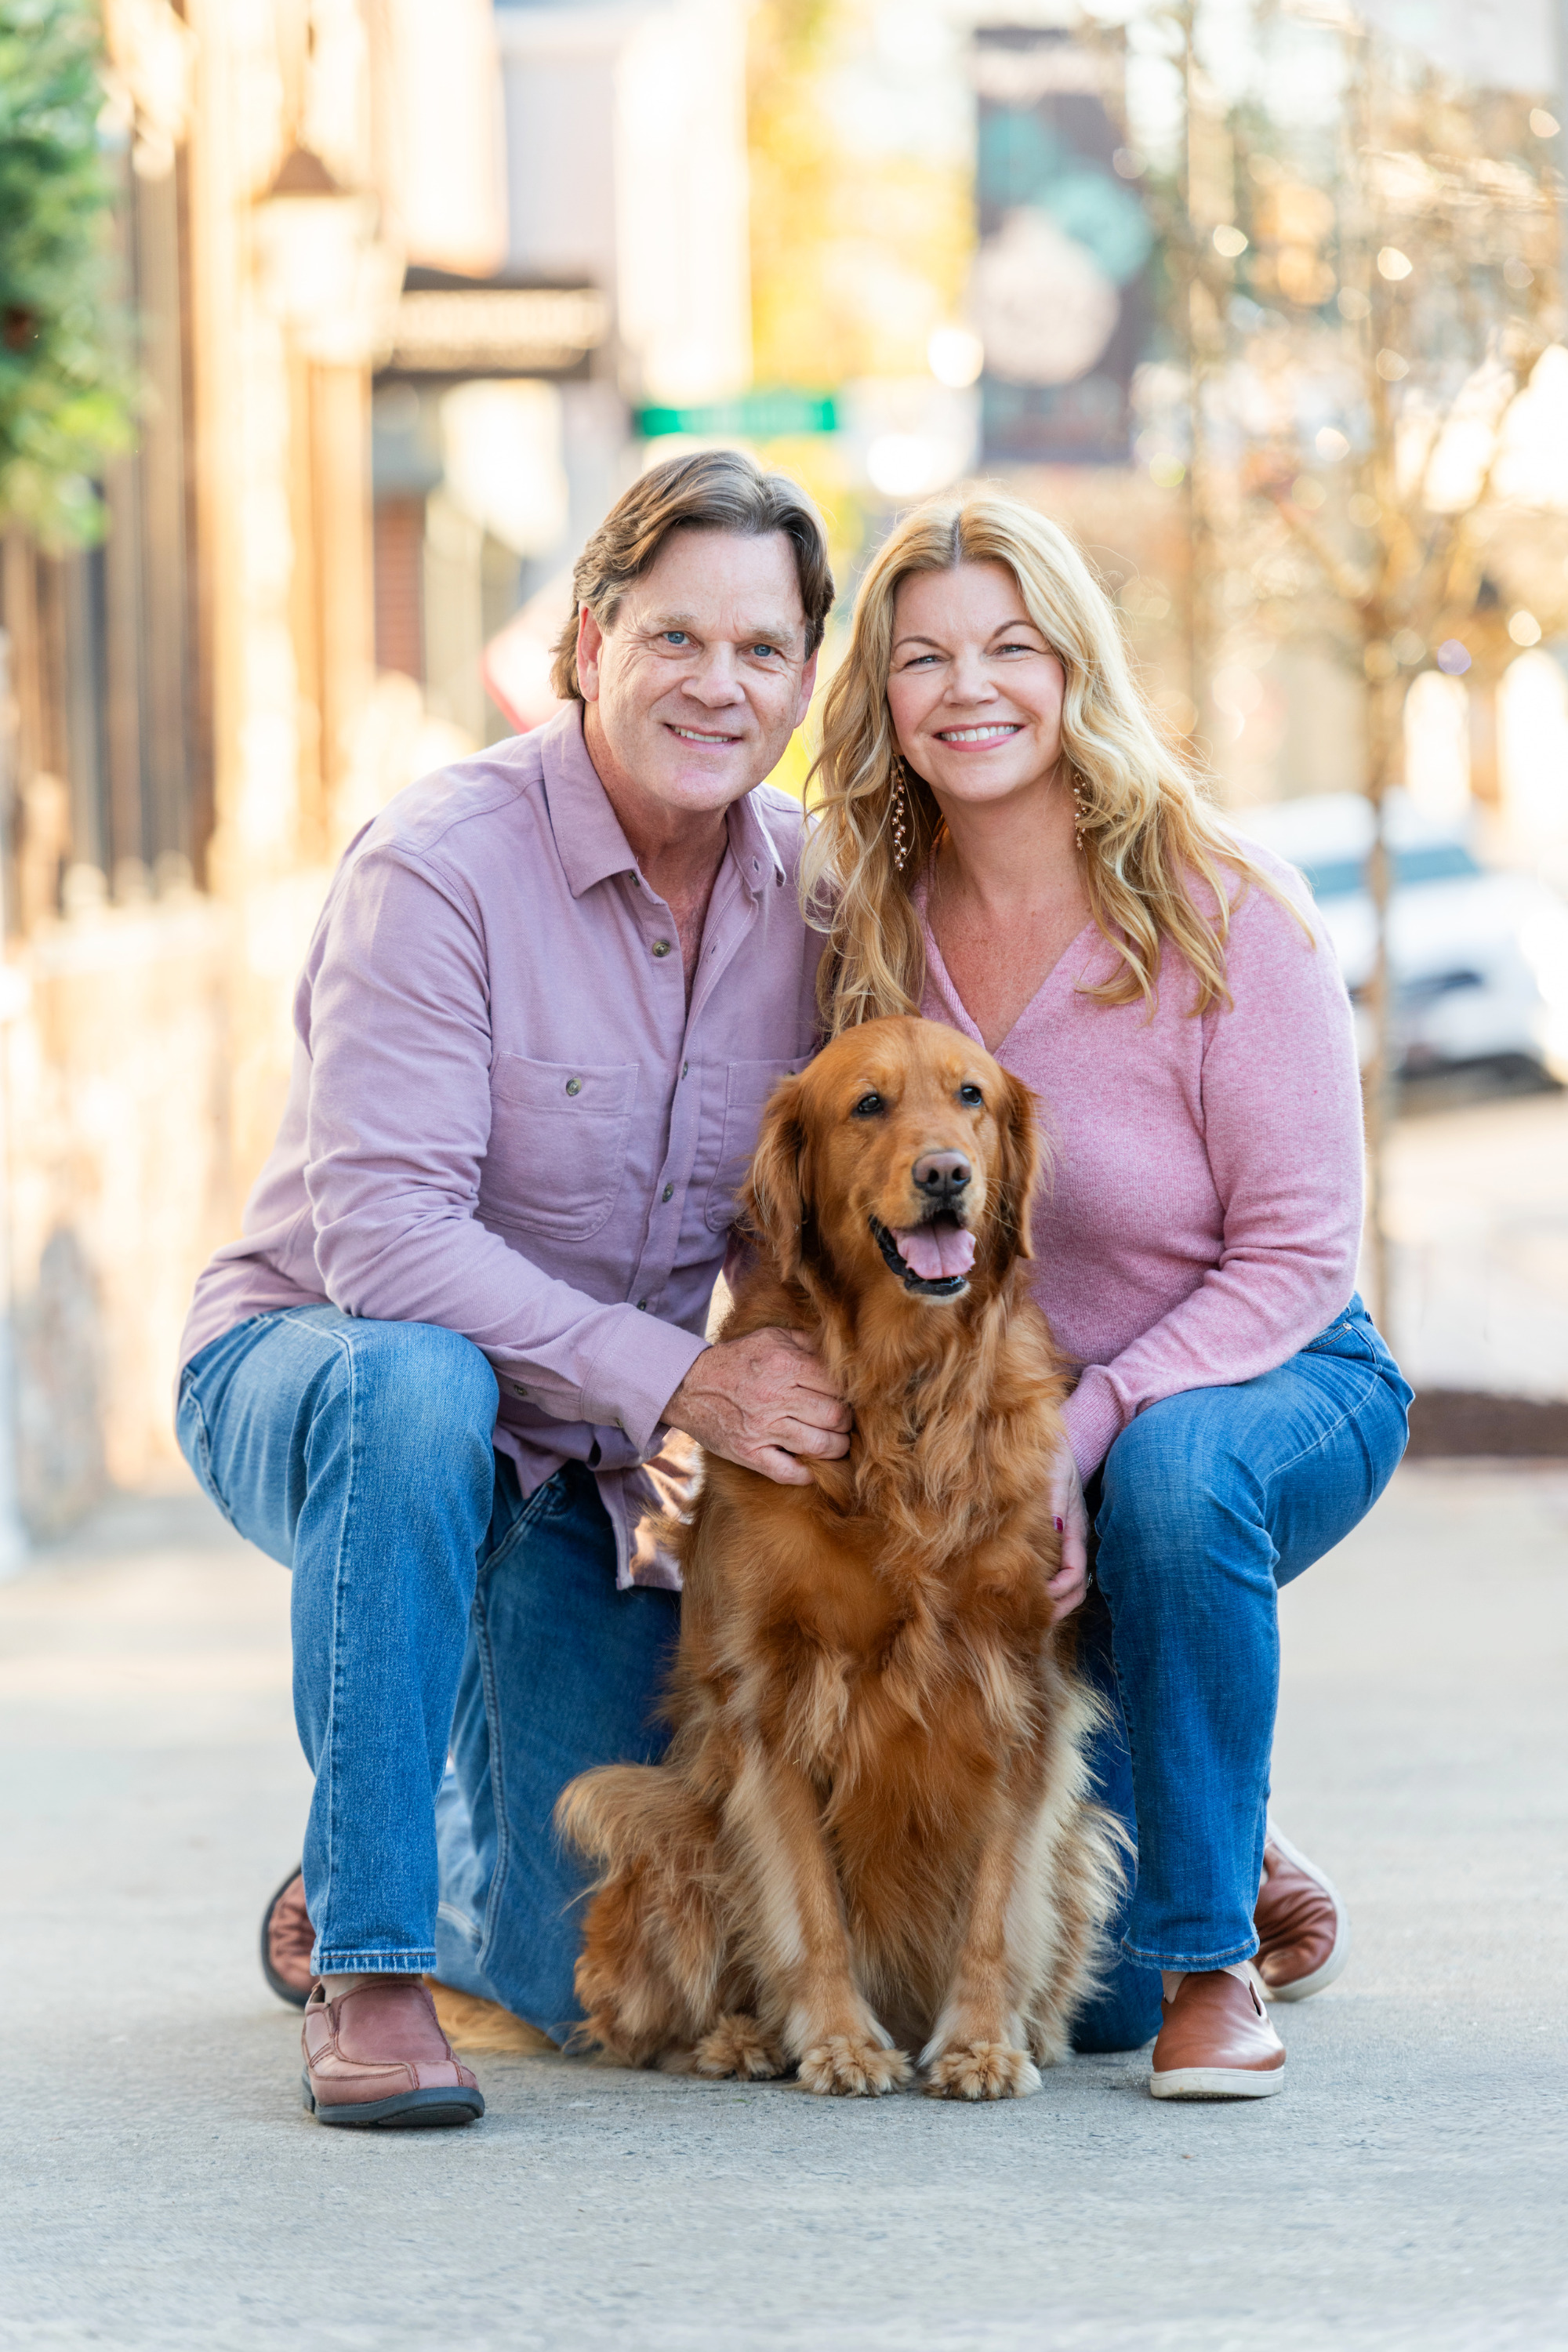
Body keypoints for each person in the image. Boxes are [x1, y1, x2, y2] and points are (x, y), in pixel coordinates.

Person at [176, 450, 853, 2127]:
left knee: (589, 1968)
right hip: (320, 1379)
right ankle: (371, 1960)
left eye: (761, 650)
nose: (717, 683)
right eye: (674, 637)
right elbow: (385, 1239)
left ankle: (377, 1844)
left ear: (804, 679)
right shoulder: (441, 864)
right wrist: (682, 1384)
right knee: (421, 1385)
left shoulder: (812, 897)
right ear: (585, 642)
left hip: (571, 1456)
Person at [801, 489, 1411, 2100]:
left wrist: (1088, 1423)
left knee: (1171, 1479)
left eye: (1011, 645)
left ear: (1076, 667)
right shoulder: (866, 924)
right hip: (1009, 1423)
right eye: (921, 657)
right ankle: (1224, 1810)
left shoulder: (1221, 906)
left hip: (1268, 1383)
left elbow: (1295, 1255)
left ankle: (1214, 1959)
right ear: (879, 695)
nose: (969, 688)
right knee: (1075, 2005)